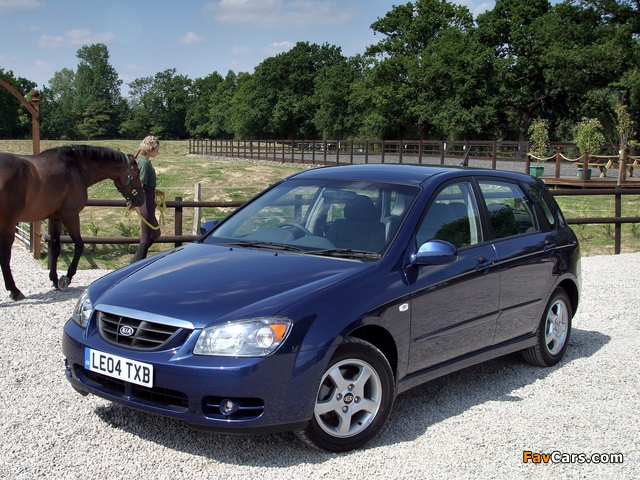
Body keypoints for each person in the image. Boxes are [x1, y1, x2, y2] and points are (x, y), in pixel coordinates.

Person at [131, 136, 162, 263]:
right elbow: (141, 184)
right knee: (147, 233)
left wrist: (153, 190)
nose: (157, 152)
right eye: (157, 150)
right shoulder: (143, 162)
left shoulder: (144, 161)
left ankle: (136, 261)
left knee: (155, 233)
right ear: (151, 149)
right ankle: (136, 263)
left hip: (148, 196)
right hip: (145, 199)